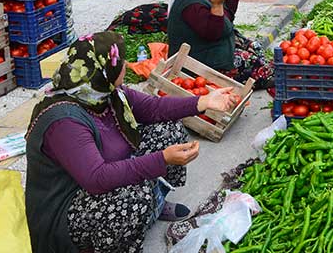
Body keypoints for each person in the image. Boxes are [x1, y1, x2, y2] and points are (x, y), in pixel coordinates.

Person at [24, 31, 242, 253]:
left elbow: (154, 109)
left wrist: (205, 101)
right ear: (103, 68)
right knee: (134, 196)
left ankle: (153, 206)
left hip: (97, 178)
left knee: (168, 129)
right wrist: (162, 159)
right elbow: (97, 178)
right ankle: (101, 243)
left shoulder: (103, 92)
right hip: (66, 208)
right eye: (120, 62)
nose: (126, 65)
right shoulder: (64, 121)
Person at [167, 0, 274, 89]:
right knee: (251, 62)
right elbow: (213, 33)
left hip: (211, 47)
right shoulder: (191, 3)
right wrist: (217, 6)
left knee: (255, 47)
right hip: (200, 60)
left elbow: (225, 21)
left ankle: (267, 72)